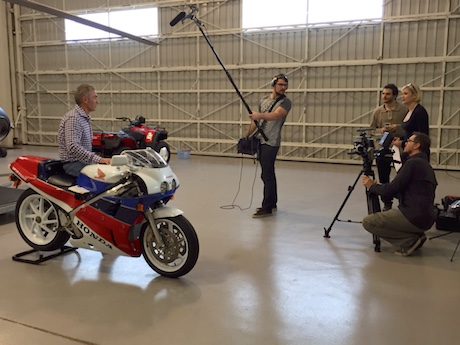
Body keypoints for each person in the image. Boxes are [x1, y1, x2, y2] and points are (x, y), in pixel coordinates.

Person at [362, 132, 437, 256]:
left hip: (413, 215)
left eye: (409, 141)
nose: (405, 143)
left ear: (417, 145)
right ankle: (414, 234)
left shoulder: (413, 164)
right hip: (426, 217)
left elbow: (391, 190)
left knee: (369, 222)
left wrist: (372, 186)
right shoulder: (423, 163)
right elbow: (402, 191)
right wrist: (378, 187)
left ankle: (408, 241)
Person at [246, 73, 292, 218]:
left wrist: (259, 116)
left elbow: (277, 115)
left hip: (271, 142)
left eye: (285, 85)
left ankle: (267, 207)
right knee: (267, 174)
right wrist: (247, 136)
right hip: (260, 141)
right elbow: (255, 121)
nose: (283, 87)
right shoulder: (263, 100)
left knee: (267, 174)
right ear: (273, 85)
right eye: (280, 84)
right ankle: (272, 203)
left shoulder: (285, 102)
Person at [58, 84, 110, 176]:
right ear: (85, 100)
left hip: (82, 161)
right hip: (73, 164)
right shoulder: (74, 118)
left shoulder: (84, 117)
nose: (97, 102)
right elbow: (73, 147)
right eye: (95, 98)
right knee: (105, 176)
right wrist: (99, 159)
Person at [370, 83, 407, 211]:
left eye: (388, 94)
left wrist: (397, 128)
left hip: (400, 147)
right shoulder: (377, 112)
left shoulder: (404, 110)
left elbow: (409, 129)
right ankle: (387, 202)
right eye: (383, 93)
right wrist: (381, 131)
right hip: (383, 148)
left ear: (395, 95)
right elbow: (371, 130)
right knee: (383, 177)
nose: (384, 96)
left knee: (403, 175)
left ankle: (405, 201)